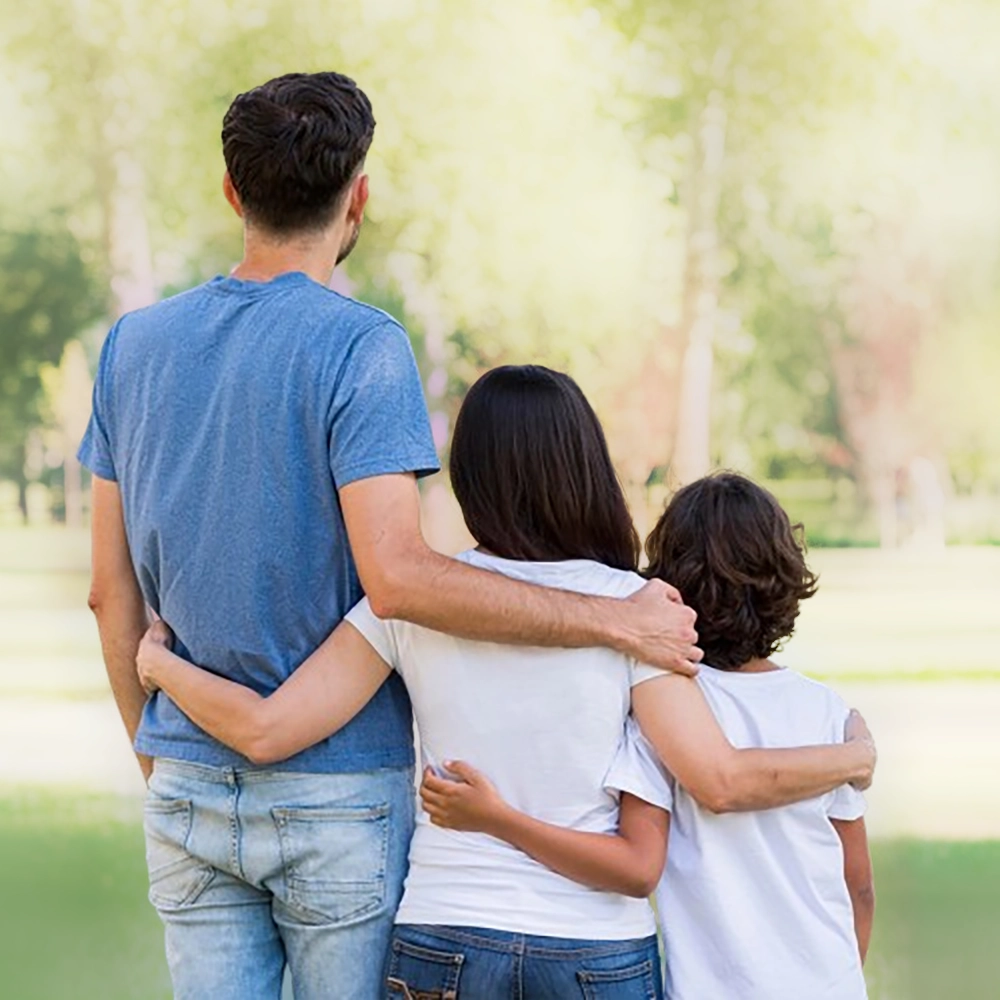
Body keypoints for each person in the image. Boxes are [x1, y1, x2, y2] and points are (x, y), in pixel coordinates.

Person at [79, 73, 702, 1000]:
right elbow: (400, 577)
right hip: (339, 798)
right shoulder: (361, 346)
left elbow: (109, 593)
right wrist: (617, 621)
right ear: (357, 193)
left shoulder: (133, 346)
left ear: (230, 189)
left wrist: (158, 752)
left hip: (188, 778)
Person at [135, 369, 877, 998]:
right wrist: (850, 758)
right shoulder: (637, 612)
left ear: (471, 475)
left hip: (445, 936)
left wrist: (163, 665)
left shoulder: (418, 604)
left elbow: (268, 730)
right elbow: (716, 777)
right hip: (592, 950)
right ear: (584, 464)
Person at [427, 472, 875, 1000]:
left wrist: (496, 817)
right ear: (785, 578)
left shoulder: (663, 706)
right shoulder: (827, 714)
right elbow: (858, 885)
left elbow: (637, 858)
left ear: (669, 582)